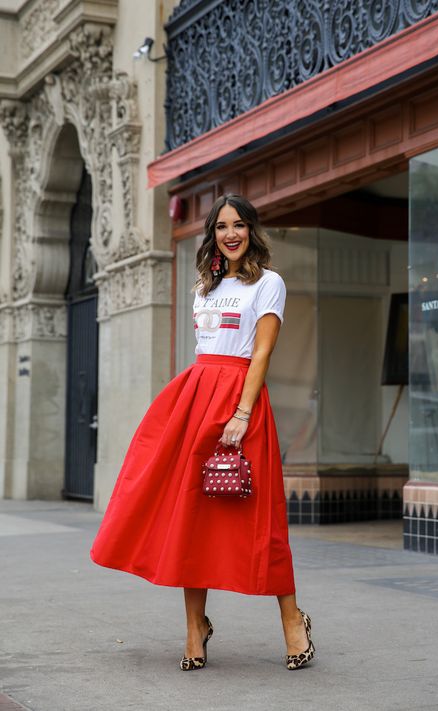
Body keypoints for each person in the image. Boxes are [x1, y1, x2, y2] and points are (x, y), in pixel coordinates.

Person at [90, 194, 314, 671]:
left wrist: (242, 412)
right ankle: (196, 629)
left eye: (238, 225)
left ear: (252, 230)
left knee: (262, 519)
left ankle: (293, 620)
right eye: (220, 227)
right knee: (189, 515)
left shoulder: (269, 284)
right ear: (212, 235)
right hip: (194, 399)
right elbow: (205, 349)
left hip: (239, 401)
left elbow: (261, 354)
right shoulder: (203, 288)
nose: (229, 234)